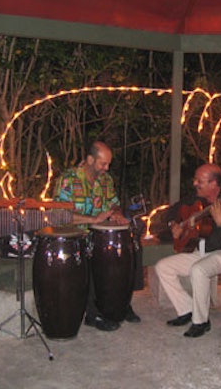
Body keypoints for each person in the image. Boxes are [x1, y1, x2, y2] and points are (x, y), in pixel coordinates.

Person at [53, 141, 141, 331]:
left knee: (132, 244)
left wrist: (117, 213)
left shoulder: (105, 180)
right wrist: (92, 218)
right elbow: (60, 215)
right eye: (103, 164)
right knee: (91, 256)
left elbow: (114, 203)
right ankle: (93, 314)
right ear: (90, 159)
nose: (106, 168)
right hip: (77, 236)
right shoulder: (68, 180)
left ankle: (122, 304)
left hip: (100, 234)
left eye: (108, 164)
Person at [155, 163, 221, 338]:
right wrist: (175, 224)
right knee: (163, 267)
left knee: (199, 270)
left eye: (200, 180)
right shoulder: (194, 200)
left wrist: (220, 224)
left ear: (213, 184)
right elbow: (171, 211)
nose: (195, 183)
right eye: (196, 179)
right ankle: (187, 309)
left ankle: (201, 321)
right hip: (201, 252)